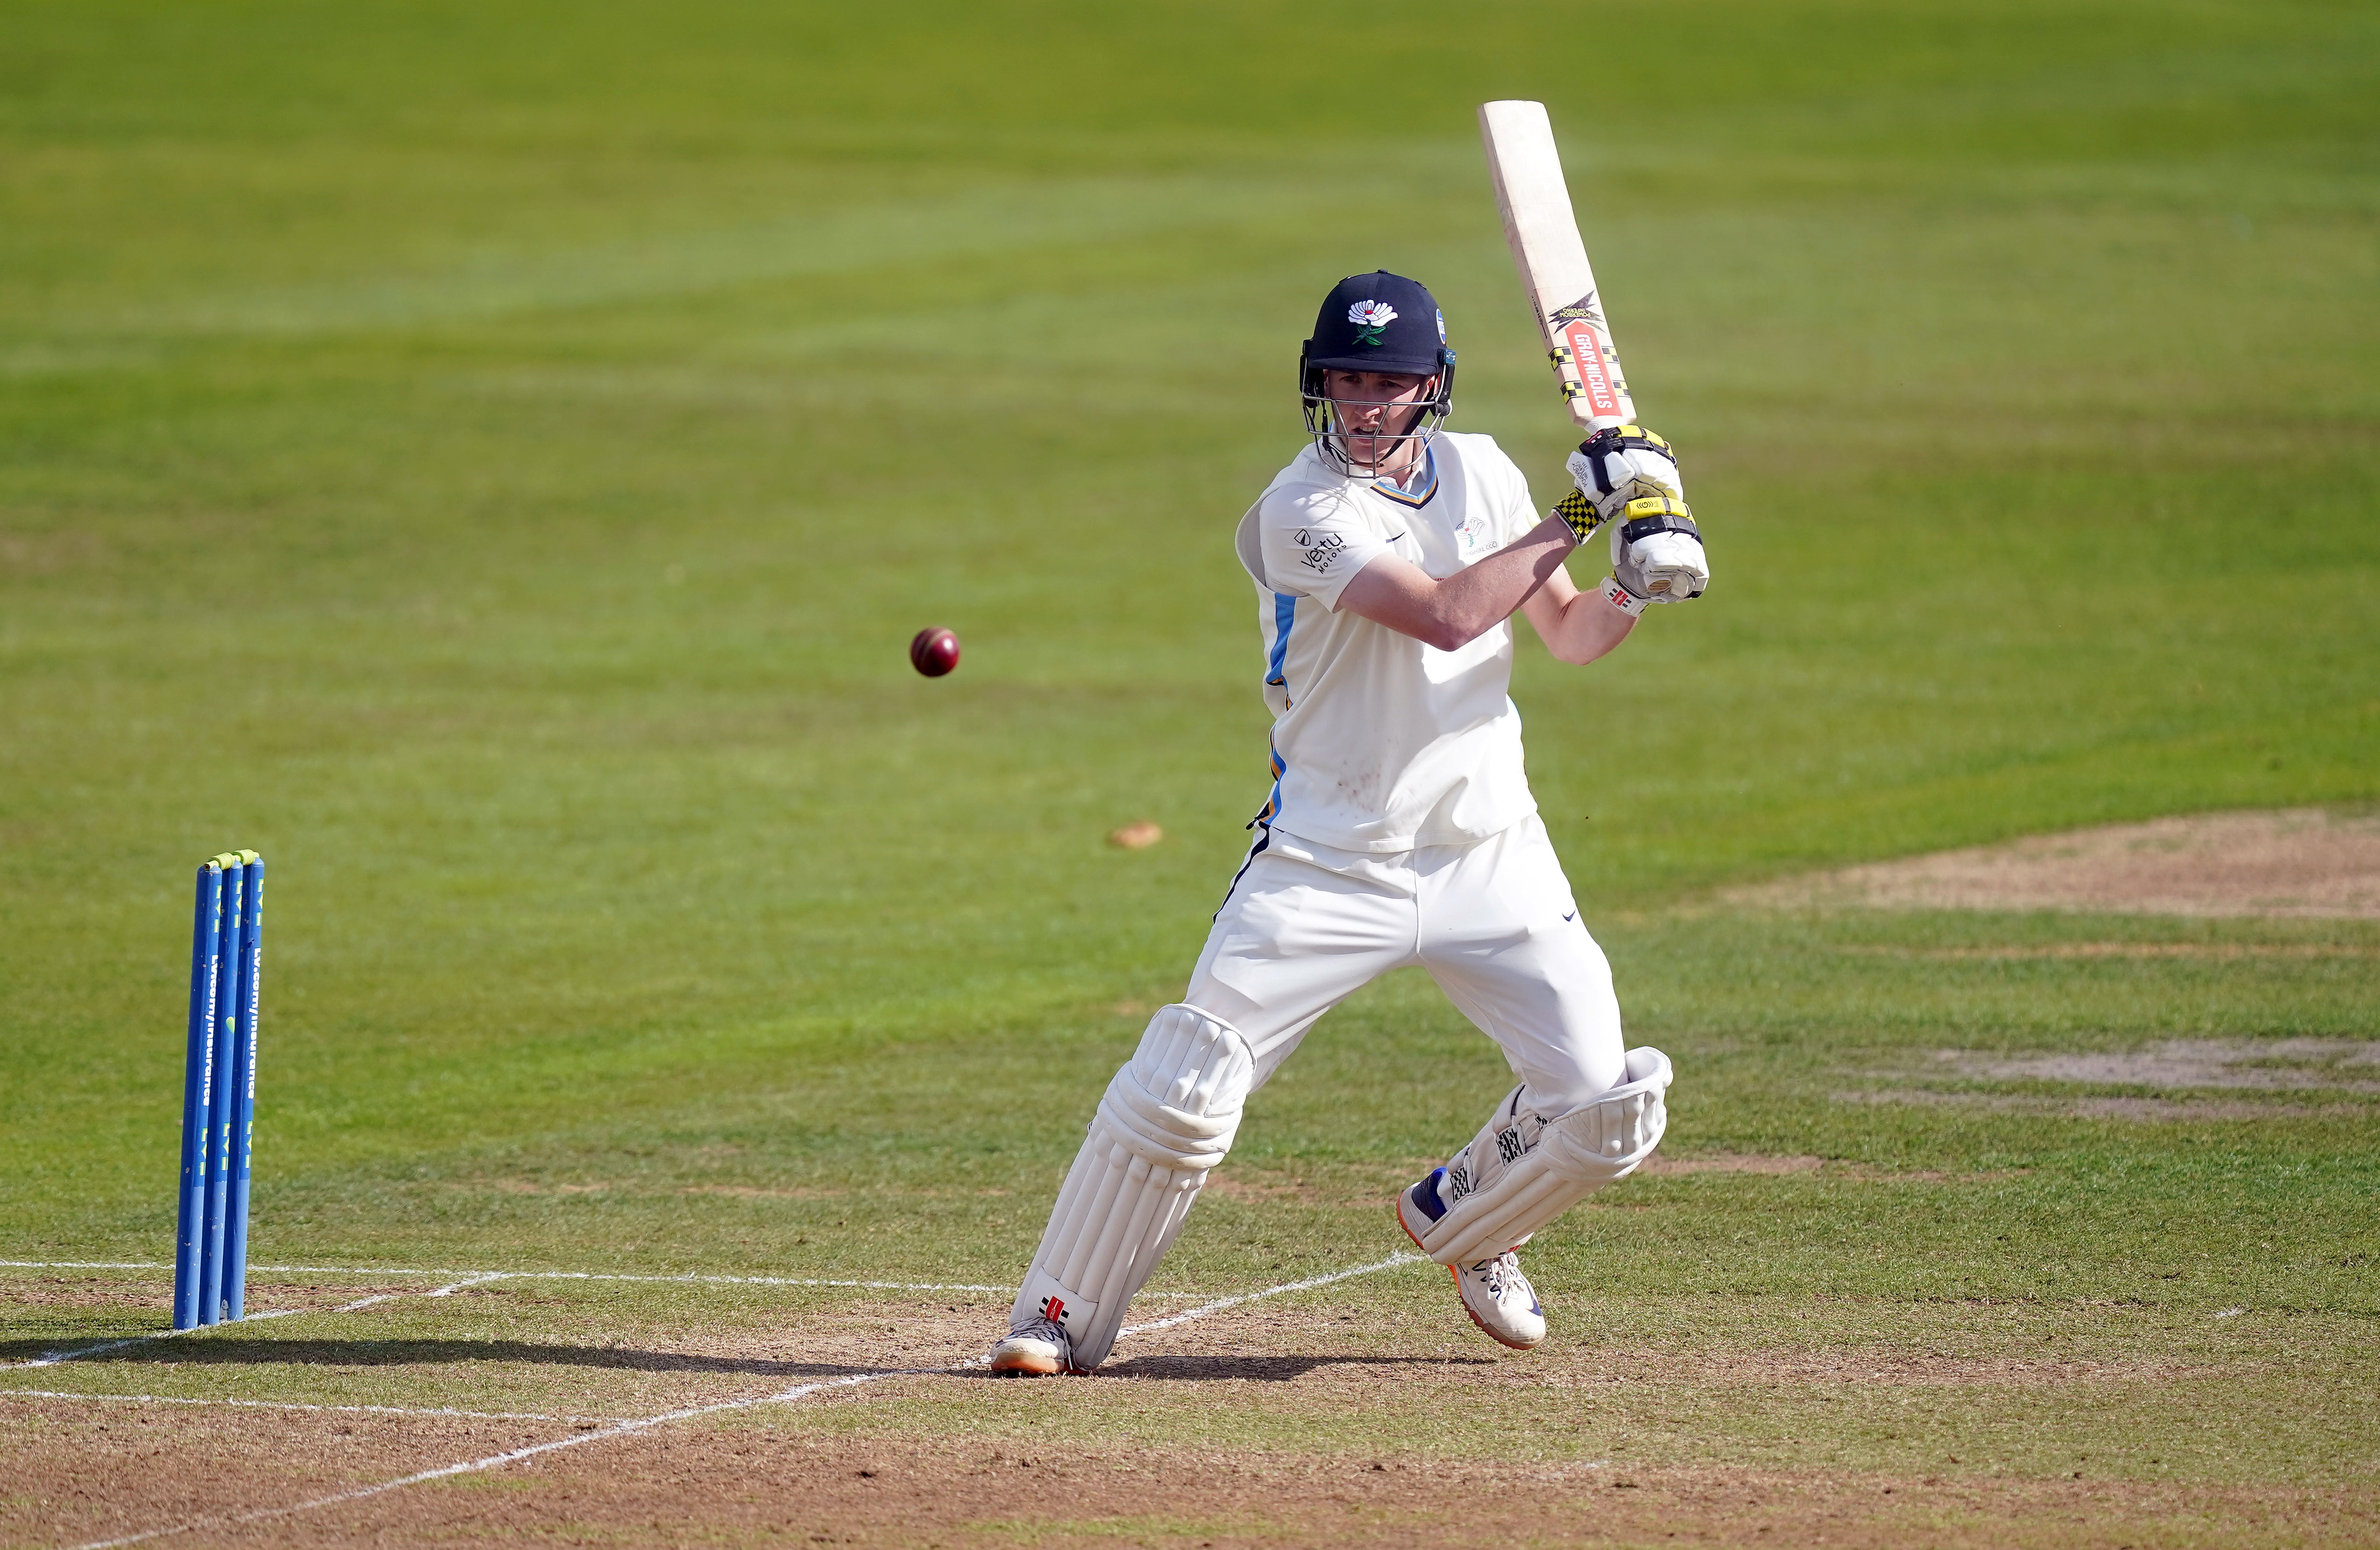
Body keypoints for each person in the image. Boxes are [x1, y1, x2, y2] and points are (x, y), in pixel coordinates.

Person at [988, 271, 1707, 1376]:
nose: (1366, 404)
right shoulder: (1300, 509)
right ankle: (1055, 1309)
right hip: (1328, 859)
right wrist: (1583, 508)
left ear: (1433, 388)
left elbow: (1563, 640)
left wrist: (1634, 575)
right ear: (1317, 384)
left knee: (1608, 1103)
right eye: (1346, 379)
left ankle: (1470, 1218)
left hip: (1487, 851)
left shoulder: (1481, 470)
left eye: (1388, 382)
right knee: (1187, 1082)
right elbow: (1447, 616)